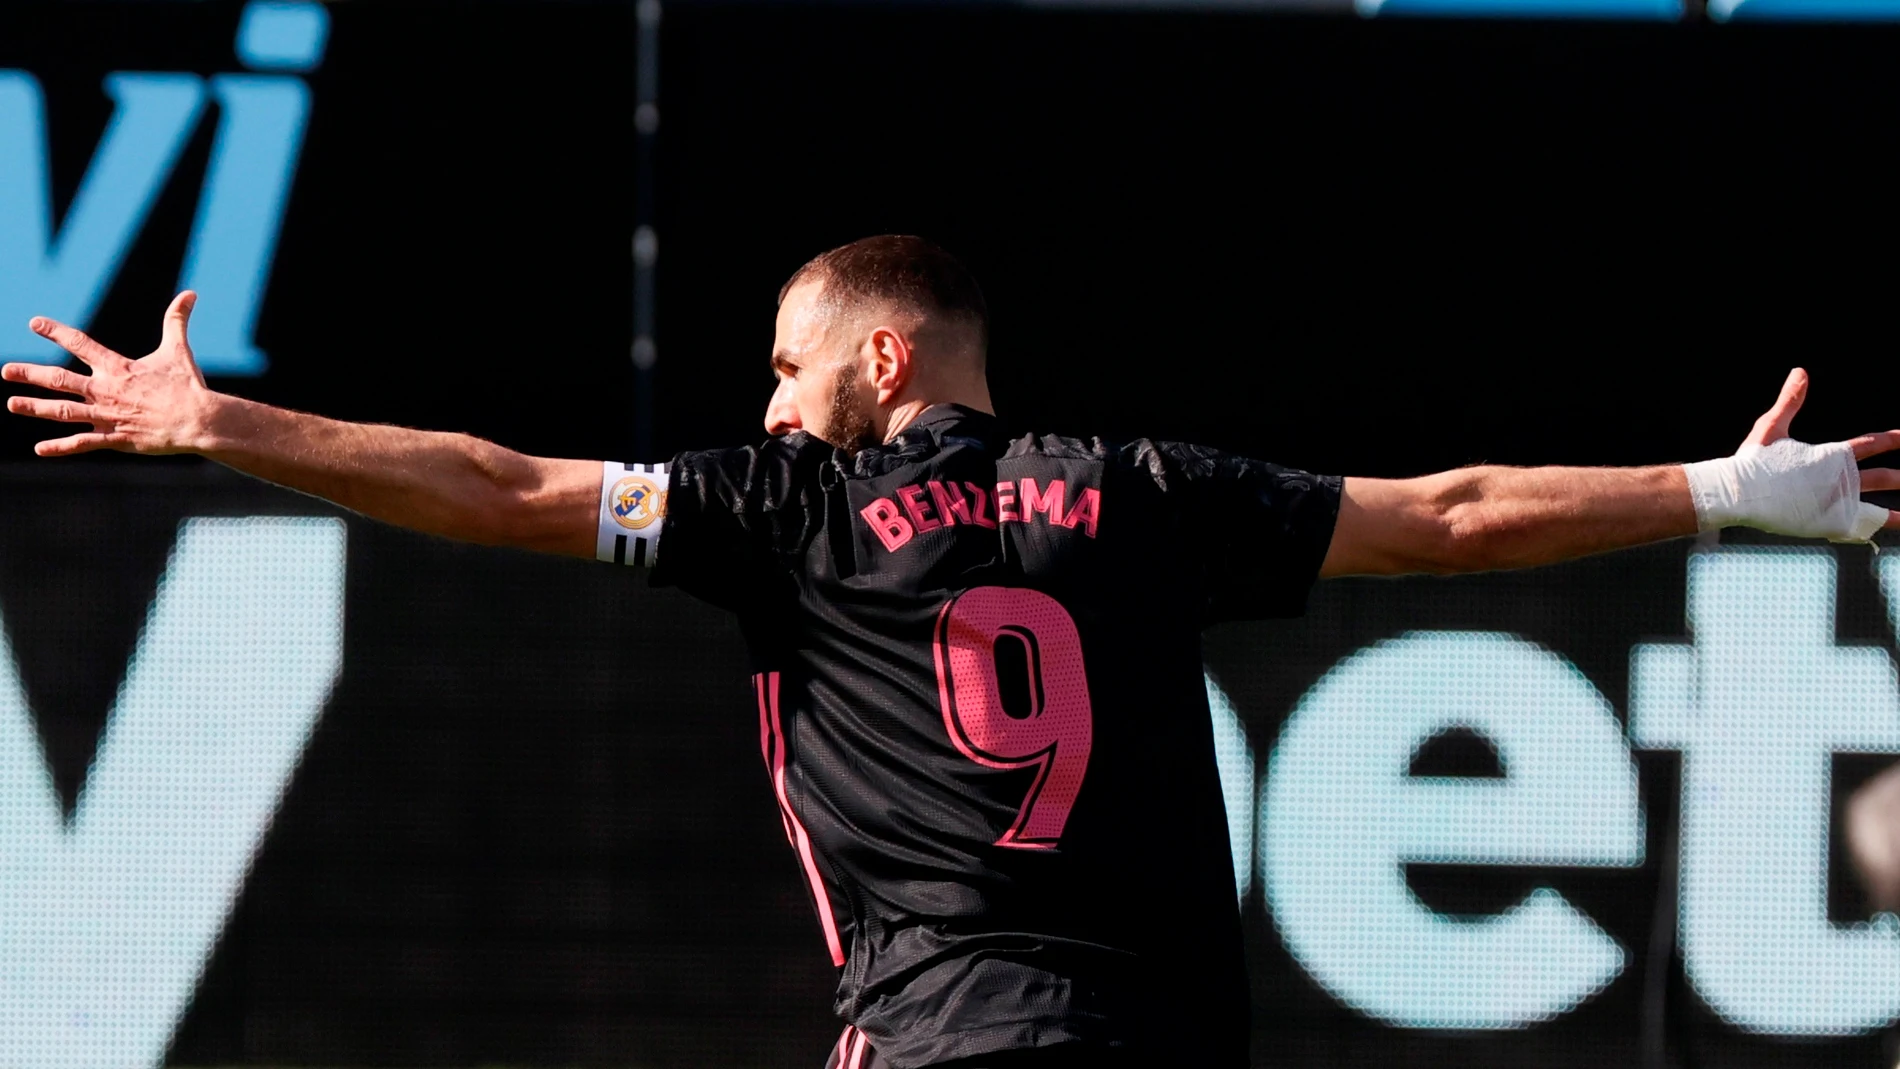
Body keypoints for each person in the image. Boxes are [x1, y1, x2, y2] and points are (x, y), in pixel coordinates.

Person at [5, 235, 1897, 1069]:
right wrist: (1717, 494)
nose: (763, 387)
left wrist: (221, 426)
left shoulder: (780, 508)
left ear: (880, 355)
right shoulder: (1149, 487)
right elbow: (1457, 513)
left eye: (780, 353)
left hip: (935, 1034)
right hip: (1157, 1043)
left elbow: (498, 489)